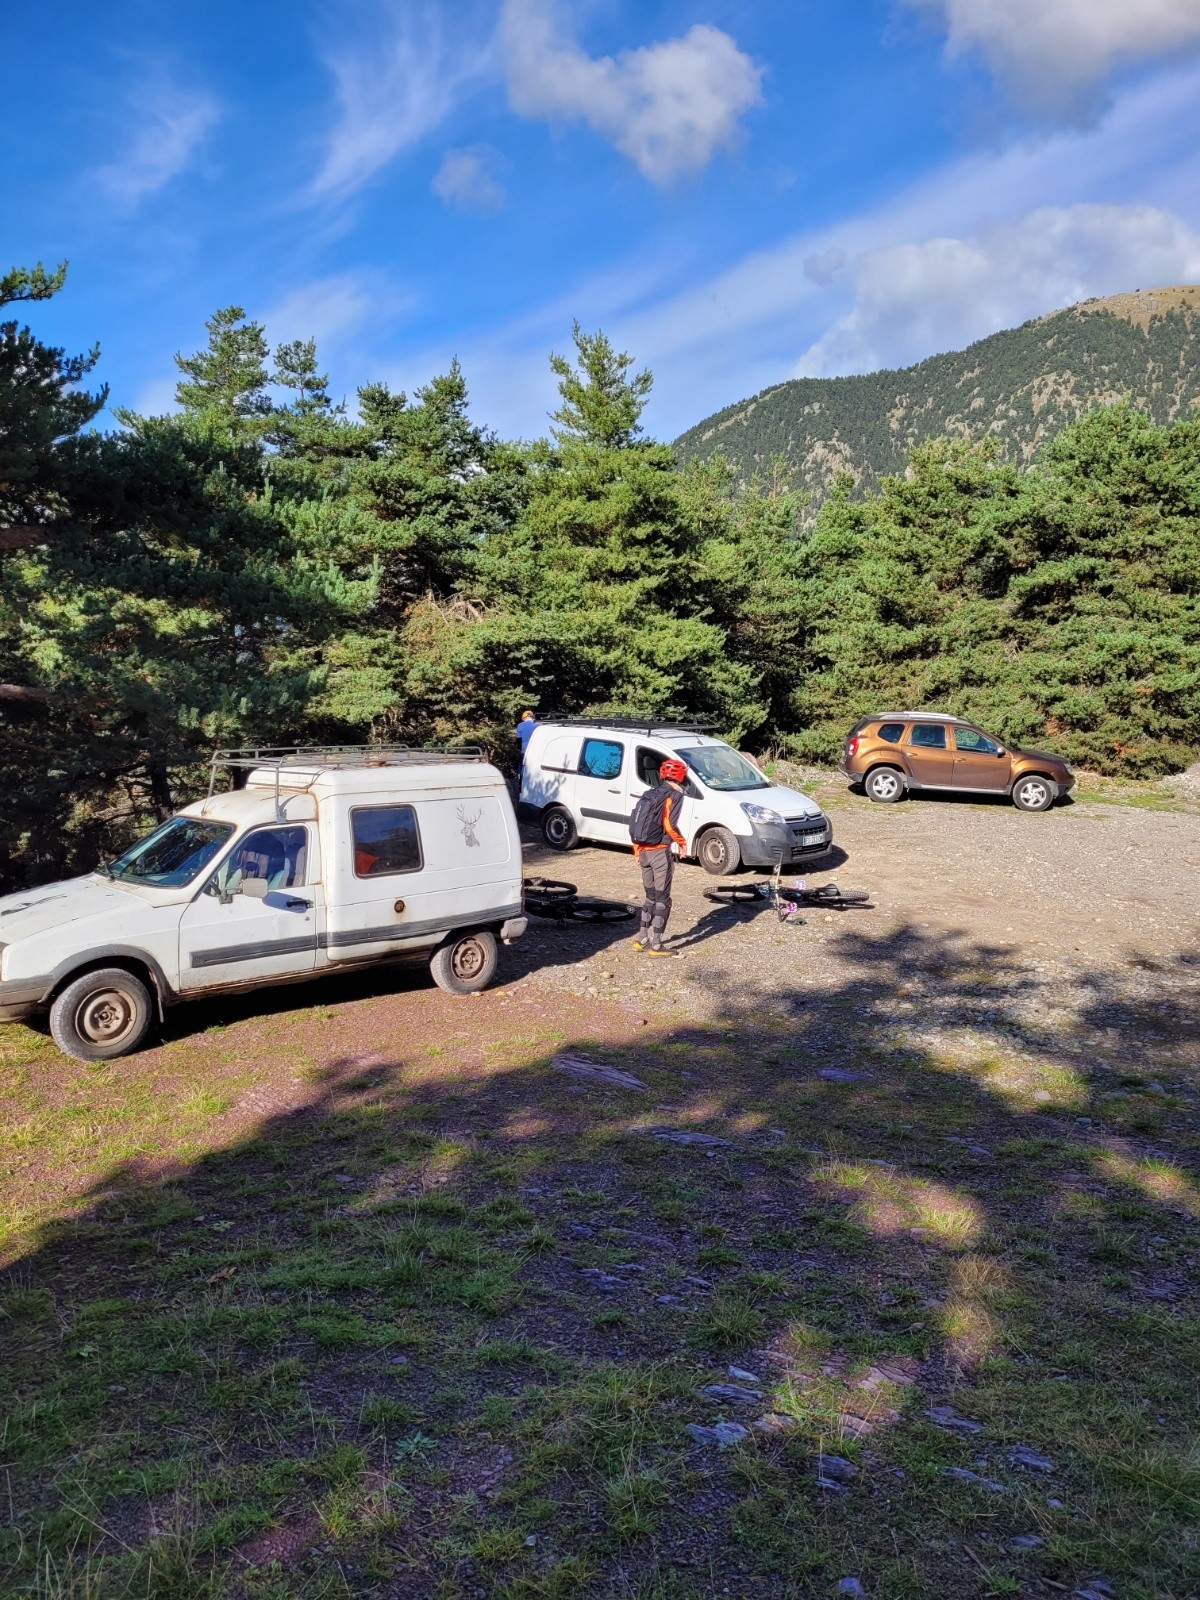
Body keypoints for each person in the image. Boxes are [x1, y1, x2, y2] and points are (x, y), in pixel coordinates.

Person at [629, 758, 687, 955]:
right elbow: (669, 825)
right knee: (663, 899)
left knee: (649, 897)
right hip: (659, 852)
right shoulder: (676, 794)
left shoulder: (651, 793)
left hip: (643, 851)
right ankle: (656, 945)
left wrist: (637, 851)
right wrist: (681, 842)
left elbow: (638, 823)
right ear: (681, 776)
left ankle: (641, 939)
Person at [515, 709, 538, 776]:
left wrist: (519, 748)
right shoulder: (538, 725)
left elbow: (518, 739)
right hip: (535, 752)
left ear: (524, 718)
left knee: (522, 768)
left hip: (524, 751)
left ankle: (520, 781)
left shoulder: (520, 725)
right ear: (532, 718)